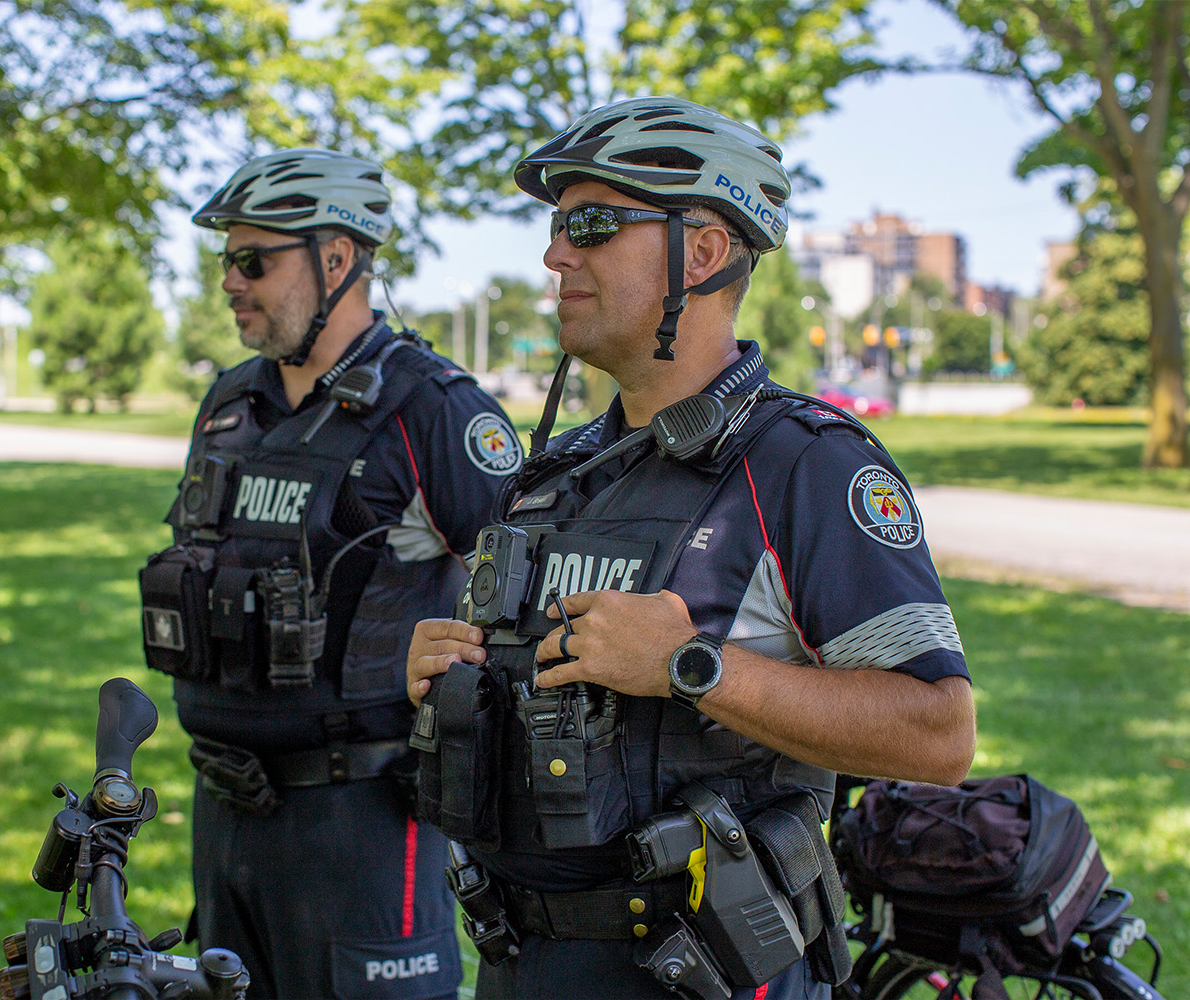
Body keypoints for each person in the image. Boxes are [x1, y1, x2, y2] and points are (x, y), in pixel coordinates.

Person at [405, 98, 976, 1000]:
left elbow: (940, 733)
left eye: (590, 224)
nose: (556, 255)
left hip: (704, 971)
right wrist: (458, 669)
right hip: (520, 960)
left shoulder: (807, 466)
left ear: (702, 253)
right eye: (557, 229)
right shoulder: (555, 475)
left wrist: (690, 667)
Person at [142, 148, 522, 999]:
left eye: (253, 261)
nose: (232, 283)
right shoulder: (230, 404)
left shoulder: (434, 409)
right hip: (226, 811)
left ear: (337, 258)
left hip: (363, 825)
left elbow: (532, 604)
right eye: (226, 261)